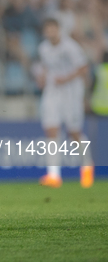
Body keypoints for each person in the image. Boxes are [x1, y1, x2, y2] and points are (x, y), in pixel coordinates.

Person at [37, 18, 93, 188]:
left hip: (71, 91)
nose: (50, 32)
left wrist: (67, 79)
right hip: (53, 91)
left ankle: (87, 166)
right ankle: (54, 175)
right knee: (51, 130)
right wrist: (43, 77)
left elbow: (84, 68)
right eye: (47, 29)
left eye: (53, 29)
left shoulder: (71, 47)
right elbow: (46, 66)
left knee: (74, 132)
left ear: (58, 29)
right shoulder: (43, 48)